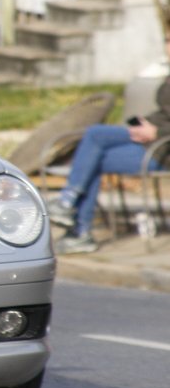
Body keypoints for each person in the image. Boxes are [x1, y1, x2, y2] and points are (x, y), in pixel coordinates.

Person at [49, 54, 170, 254]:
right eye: (166, 39)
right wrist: (143, 122)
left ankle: (74, 217)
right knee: (94, 147)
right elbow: (164, 114)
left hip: (162, 151)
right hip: (152, 140)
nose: (167, 44)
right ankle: (75, 220)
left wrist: (157, 132)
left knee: (95, 140)